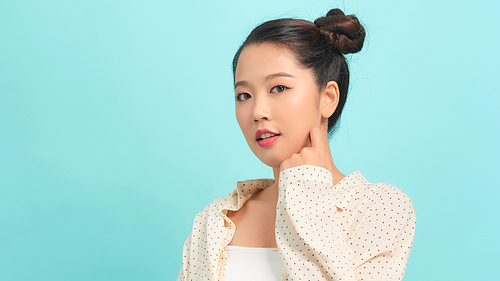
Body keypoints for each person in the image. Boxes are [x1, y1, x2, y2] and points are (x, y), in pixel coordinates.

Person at [177, 8, 416, 281]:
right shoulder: (215, 221)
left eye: (278, 88)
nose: (257, 111)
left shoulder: (379, 208)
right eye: (244, 95)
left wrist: (305, 188)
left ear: (327, 97)